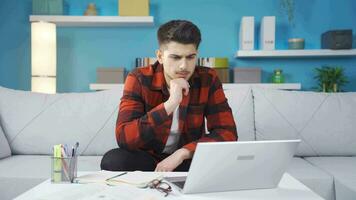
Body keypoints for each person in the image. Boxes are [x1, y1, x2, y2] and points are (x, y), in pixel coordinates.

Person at [100, 20, 237, 172]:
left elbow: (227, 132)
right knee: (113, 161)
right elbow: (124, 137)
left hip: (186, 159)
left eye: (190, 57)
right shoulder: (138, 78)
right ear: (160, 56)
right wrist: (169, 105)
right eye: (175, 57)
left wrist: (183, 153)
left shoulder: (208, 78)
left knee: (227, 163)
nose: (184, 66)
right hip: (148, 158)